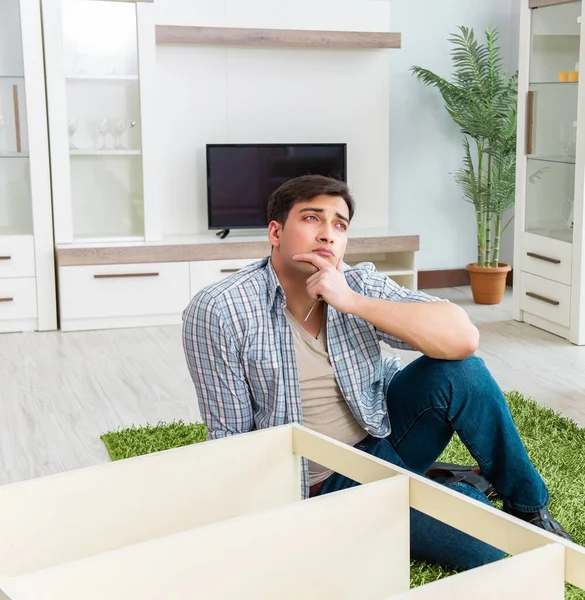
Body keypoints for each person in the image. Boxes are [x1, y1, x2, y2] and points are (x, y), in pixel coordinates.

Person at [182, 175, 571, 570]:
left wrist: (350, 301)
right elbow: (230, 441)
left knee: (463, 373)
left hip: (381, 436)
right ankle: (449, 487)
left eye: (339, 224)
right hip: (319, 478)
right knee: (486, 541)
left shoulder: (355, 283)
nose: (328, 235)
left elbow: (463, 337)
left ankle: (528, 507)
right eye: (312, 218)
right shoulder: (220, 309)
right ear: (276, 232)